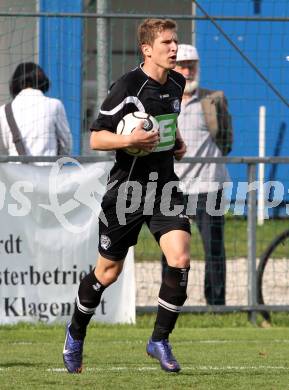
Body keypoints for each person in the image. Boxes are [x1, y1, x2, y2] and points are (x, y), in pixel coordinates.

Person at [63, 18, 191, 374]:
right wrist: (129, 140)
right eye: (166, 42)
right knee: (107, 272)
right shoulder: (127, 87)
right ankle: (75, 332)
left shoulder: (178, 82)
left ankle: (159, 340)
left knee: (179, 258)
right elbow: (96, 138)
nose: (173, 47)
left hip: (164, 188)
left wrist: (174, 142)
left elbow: (167, 125)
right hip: (126, 193)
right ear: (147, 49)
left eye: (175, 41)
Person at [162, 44, 232, 305]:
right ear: (172, 68)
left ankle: (217, 305)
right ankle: (168, 302)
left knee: (214, 248)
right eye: (182, 65)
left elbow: (226, 139)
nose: (187, 70)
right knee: (169, 249)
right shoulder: (162, 102)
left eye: (192, 65)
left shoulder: (213, 100)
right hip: (173, 187)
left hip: (208, 185)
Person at [0, 62, 72, 158]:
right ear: (43, 80)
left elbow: (5, 145)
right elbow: (66, 143)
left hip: (15, 170)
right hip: (47, 170)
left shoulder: (4, 110)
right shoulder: (54, 105)